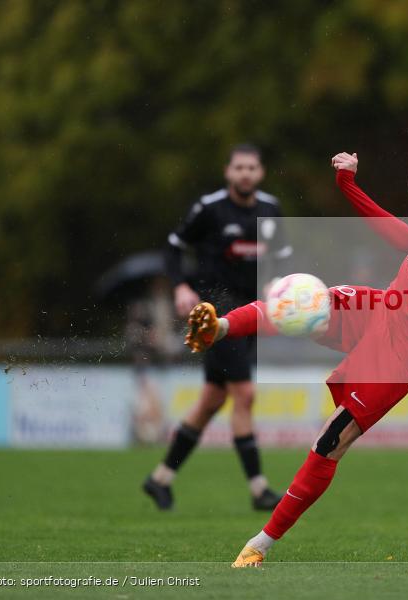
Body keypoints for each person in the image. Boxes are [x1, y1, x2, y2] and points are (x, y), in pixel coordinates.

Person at [183, 151, 408, 567]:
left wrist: (348, 185)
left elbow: (404, 239)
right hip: (384, 309)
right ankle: (218, 328)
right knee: (300, 304)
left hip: (403, 353)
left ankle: (259, 545)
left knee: (329, 442)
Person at [142, 144, 293, 511]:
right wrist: (181, 286)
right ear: (228, 171)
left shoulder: (271, 210)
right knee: (244, 395)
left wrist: (280, 289)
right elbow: (173, 248)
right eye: (239, 167)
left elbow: (282, 260)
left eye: (251, 167)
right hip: (216, 311)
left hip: (253, 310)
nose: (245, 173)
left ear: (261, 172)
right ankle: (259, 489)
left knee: (212, 400)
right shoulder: (209, 209)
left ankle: (160, 479)